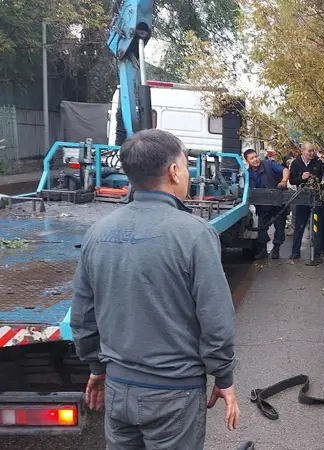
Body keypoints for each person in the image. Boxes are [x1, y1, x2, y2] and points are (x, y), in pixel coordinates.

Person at [70, 129, 240, 449]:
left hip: (118, 389)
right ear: (173, 171)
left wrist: (96, 366)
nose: (187, 174)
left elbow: (82, 315)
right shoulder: (194, 234)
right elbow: (216, 318)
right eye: (186, 166)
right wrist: (224, 377)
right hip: (174, 394)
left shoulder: (98, 232)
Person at [288, 142, 324, 261]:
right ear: (303, 151)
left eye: (313, 151)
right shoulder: (296, 163)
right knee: (300, 225)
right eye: (309, 151)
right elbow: (292, 181)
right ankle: (295, 252)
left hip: (317, 198)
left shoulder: (318, 162)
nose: (312, 153)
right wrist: (301, 178)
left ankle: (317, 253)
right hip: (303, 197)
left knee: (317, 226)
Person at [244, 148, 290, 259]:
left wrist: (283, 181)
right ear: (247, 161)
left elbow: (285, 170)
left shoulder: (269, 164)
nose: (255, 159)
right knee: (261, 227)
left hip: (277, 202)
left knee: (279, 227)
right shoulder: (247, 173)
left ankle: (276, 250)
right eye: (252, 158)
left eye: (256, 156)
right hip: (262, 204)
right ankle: (263, 251)